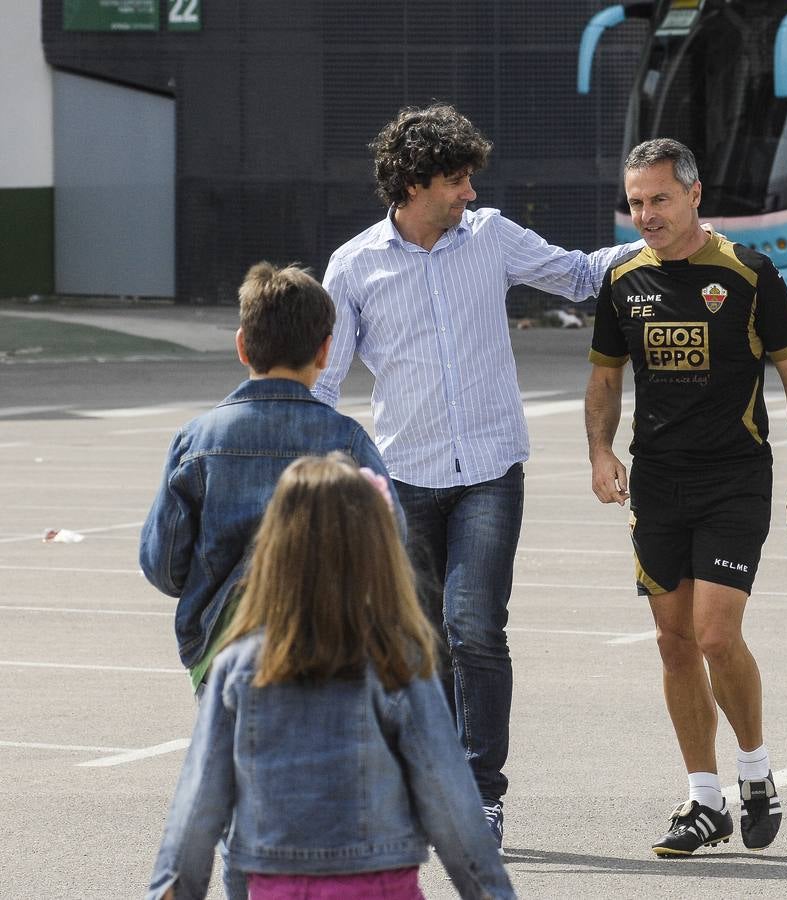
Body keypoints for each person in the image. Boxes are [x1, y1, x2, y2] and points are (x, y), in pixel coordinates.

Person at [312, 102, 641, 848]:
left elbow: (578, 274)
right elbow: (325, 384)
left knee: (476, 629)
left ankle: (482, 795)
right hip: (407, 478)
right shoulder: (354, 265)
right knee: (424, 639)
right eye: (456, 180)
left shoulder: (490, 237)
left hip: (491, 469)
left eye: (468, 179)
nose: (469, 192)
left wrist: (655, 240)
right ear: (415, 182)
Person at [585, 138, 787, 857]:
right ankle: (703, 798)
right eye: (636, 203)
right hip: (657, 482)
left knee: (716, 634)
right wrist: (600, 451)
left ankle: (755, 771)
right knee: (673, 640)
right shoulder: (622, 278)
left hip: (733, 479)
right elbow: (604, 376)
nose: (647, 215)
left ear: (694, 194)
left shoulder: (748, 274)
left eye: (660, 199)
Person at [144, 454, 515, 900]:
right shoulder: (398, 663)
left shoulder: (238, 666)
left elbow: (199, 805)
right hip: (380, 884)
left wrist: (172, 887)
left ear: (274, 549)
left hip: (275, 884)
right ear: (377, 550)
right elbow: (452, 803)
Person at [140, 261, 399, 695]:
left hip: (222, 649)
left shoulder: (196, 441)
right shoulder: (348, 441)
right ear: (325, 351)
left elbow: (162, 567)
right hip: (326, 648)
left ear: (242, 346)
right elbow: (393, 543)